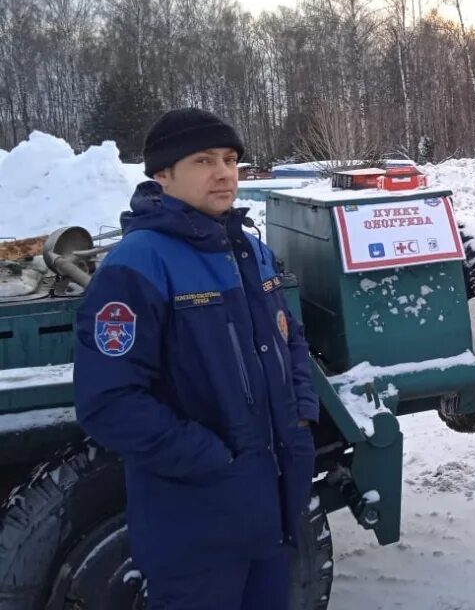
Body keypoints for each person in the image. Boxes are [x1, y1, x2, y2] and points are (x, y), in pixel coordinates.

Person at [73, 108, 320, 610]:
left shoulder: (250, 251)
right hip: (195, 526)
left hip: (273, 511)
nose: (225, 172)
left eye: (230, 159)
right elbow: (110, 402)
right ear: (162, 174)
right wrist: (213, 459)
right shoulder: (136, 266)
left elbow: (287, 338)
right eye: (204, 160)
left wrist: (300, 414)